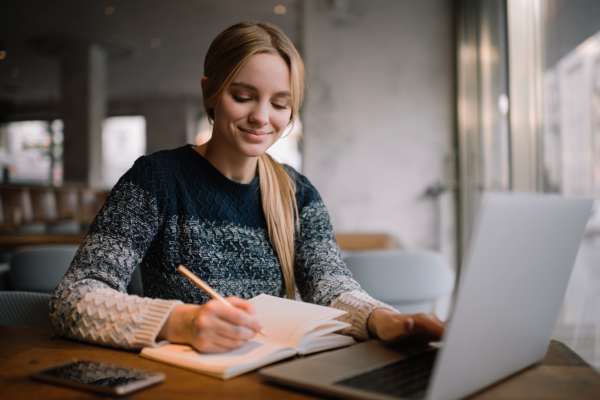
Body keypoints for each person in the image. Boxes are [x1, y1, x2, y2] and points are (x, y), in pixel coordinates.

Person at [50, 22, 445, 354]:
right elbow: (74, 298)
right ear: (210, 91)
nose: (261, 117)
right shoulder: (156, 179)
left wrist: (383, 319)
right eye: (243, 97)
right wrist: (180, 322)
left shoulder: (297, 192)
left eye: (280, 103)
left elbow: (330, 284)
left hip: (271, 376)